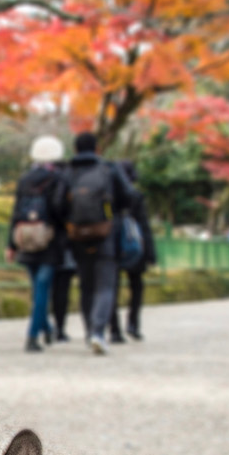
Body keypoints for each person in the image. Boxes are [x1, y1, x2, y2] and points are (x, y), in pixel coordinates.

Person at [60, 132, 134, 354]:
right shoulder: (109, 169)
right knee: (105, 285)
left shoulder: (67, 173)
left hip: (77, 236)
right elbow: (129, 195)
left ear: (75, 149)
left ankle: (89, 331)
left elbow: (57, 203)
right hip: (106, 234)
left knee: (86, 285)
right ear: (97, 148)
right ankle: (98, 332)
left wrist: (70, 224)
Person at [7, 136, 66, 352]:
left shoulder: (25, 179)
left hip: (25, 240)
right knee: (42, 289)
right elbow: (60, 210)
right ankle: (32, 337)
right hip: (49, 241)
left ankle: (47, 328)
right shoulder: (58, 178)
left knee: (38, 289)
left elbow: (16, 213)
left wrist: (10, 245)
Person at [109, 162, 156, 342]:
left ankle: (114, 329)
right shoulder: (135, 196)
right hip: (134, 245)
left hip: (112, 245)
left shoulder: (109, 195)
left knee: (112, 288)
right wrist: (150, 253)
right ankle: (133, 323)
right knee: (136, 286)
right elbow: (143, 225)